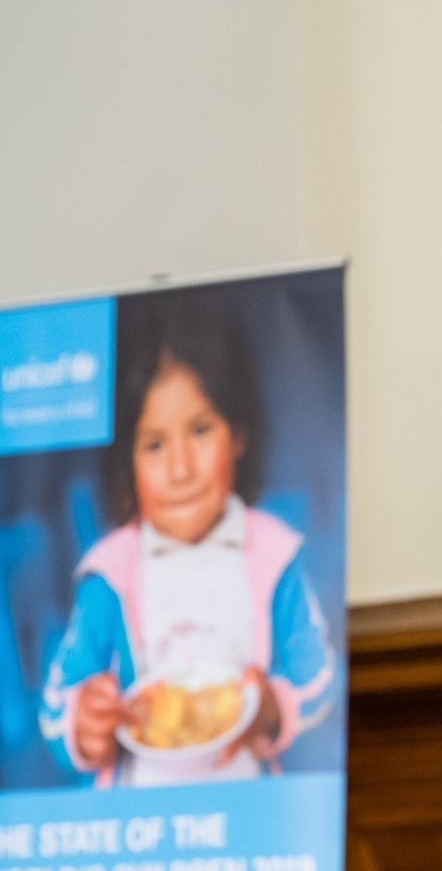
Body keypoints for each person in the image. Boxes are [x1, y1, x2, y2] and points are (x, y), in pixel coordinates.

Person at [39, 300, 334, 788]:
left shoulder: (274, 553)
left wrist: (272, 709)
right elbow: (57, 705)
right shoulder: (110, 572)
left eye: (200, 431)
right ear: (126, 463)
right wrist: (83, 723)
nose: (180, 470)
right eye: (154, 445)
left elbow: (319, 682)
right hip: (142, 828)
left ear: (238, 433)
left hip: (248, 815)